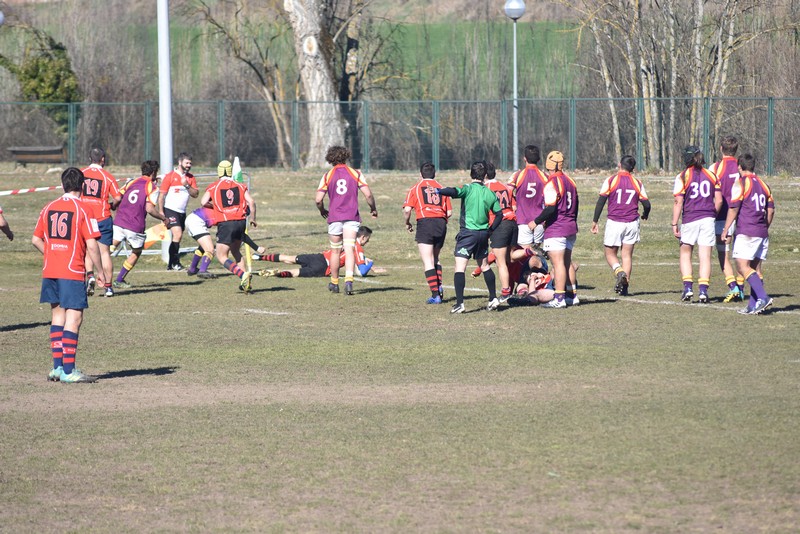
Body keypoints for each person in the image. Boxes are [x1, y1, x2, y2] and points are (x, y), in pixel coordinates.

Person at [32, 168, 105, 383]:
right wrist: (100, 272)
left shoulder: (48, 208)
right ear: (82, 185)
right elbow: (92, 244)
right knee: (74, 318)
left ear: (63, 184)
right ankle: (69, 371)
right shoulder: (84, 209)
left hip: (50, 270)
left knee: (57, 316)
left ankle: (57, 368)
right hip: (72, 271)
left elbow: (36, 240)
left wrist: (53, 254)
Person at [438, 160, 504, 313]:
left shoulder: (468, 188)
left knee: (460, 268)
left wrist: (440, 191)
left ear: (471, 174)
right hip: (483, 234)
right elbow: (499, 214)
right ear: (485, 176)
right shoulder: (489, 192)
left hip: (468, 234)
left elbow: (454, 191)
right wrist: (490, 230)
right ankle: (493, 298)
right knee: (485, 266)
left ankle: (460, 304)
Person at [315, 145, 378, 296]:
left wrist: (322, 210)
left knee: (335, 251)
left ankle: (334, 283)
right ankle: (349, 281)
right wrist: (373, 208)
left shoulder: (327, 175)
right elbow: (368, 195)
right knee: (349, 249)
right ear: (346, 156)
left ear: (330, 159)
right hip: (351, 217)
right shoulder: (356, 173)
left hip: (335, 217)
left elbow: (318, 199)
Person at [721, 153, 774, 315]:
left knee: (742, 266)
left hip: (747, 231)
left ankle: (763, 298)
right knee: (754, 269)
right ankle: (753, 305)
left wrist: (725, 229)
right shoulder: (764, 184)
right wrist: (764, 226)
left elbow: (734, 208)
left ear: (739, 167)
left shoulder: (741, 183)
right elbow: (770, 209)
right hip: (761, 232)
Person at [590, 155, 651, 296]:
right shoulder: (637, 182)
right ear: (633, 169)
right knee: (627, 256)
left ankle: (619, 271)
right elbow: (647, 204)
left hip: (615, 222)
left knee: (610, 254)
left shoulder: (611, 180)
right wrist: (645, 214)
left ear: (619, 165)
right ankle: (625, 288)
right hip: (632, 223)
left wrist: (595, 221)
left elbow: (601, 201)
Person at [672, 146, 722, 303]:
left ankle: (687, 288)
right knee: (705, 256)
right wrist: (712, 214)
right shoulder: (711, 175)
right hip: (708, 219)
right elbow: (719, 200)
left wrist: (674, 223)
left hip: (690, 219)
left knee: (685, 253)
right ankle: (703, 291)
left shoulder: (683, 176)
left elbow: (678, 201)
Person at [200, 160, 257, 292]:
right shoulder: (240, 185)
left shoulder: (214, 186)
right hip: (241, 222)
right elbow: (251, 202)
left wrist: (215, 206)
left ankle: (242, 275)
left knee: (221, 256)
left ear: (219, 172)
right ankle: (245, 283)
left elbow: (203, 202)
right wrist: (253, 218)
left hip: (226, 224)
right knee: (236, 252)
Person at [110, 160, 168, 289]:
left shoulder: (132, 181)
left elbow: (118, 196)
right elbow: (149, 209)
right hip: (134, 225)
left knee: (108, 249)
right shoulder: (152, 187)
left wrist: (113, 206)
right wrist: (163, 217)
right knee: (136, 251)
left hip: (119, 221)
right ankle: (119, 279)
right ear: (153, 172)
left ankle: (93, 274)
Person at [533, 151, 579, 308]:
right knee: (566, 263)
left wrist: (536, 222)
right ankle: (571, 296)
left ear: (548, 165)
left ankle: (559, 298)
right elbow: (576, 205)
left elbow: (551, 208)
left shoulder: (552, 182)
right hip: (570, 226)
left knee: (558, 264)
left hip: (557, 227)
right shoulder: (570, 181)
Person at [403, 162, 451, 304]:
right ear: (434, 174)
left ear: (420, 174)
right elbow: (449, 212)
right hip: (441, 223)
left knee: (427, 260)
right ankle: (440, 287)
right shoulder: (442, 188)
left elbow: (407, 210)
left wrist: (407, 222)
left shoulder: (415, 188)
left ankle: (435, 295)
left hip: (425, 222)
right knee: (436, 258)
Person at [256, 227, 379, 279]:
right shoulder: (357, 247)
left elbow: (347, 255)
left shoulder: (347, 239)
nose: (366, 243)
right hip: (323, 267)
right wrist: (370, 263)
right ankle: (272, 274)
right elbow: (362, 272)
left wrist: (367, 261)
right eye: (367, 240)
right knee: (294, 273)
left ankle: (258, 257)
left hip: (319, 257)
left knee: (289, 258)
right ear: (362, 237)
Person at [81, 147, 121, 297]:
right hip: (102, 217)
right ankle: (109, 287)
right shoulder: (107, 177)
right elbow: (117, 198)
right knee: (104, 253)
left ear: (90, 158)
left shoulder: (81, 174)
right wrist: (112, 206)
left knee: (87, 251)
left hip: (85, 218)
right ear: (103, 159)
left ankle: (90, 276)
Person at [710, 136, 745, 302]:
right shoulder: (743, 167)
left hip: (722, 216)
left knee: (723, 254)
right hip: (743, 217)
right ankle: (741, 286)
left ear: (721, 149)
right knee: (741, 254)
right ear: (736, 150)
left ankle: (734, 287)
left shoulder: (715, 167)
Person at [185, 206, 265, 279]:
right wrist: (257, 248)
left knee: (204, 246)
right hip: (196, 222)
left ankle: (192, 269)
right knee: (210, 249)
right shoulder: (229, 216)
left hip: (193, 218)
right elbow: (241, 235)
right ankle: (202, 271)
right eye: (244, 215)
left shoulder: (227, 209)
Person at [158, 152, 199, 271]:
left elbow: (195, 194)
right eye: (187, 163)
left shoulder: (190, 177)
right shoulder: (170, 176)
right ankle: (175, 262)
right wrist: (161, 213)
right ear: (180, 162)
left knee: (177, 237)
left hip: (182, 212)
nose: (189, 165)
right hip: (170, 210)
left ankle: (170, 264)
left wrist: (186, 185)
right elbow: (161, 196)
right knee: (178, 234)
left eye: (190, 163)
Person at [484, 161, 518, 302]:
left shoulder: (485, 188)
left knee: (501, 262)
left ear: (484, 174)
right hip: (512, 223)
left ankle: (505, 292)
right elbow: (514, 208)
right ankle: (510, 287)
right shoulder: (505, 187)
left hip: (500, 225)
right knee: (509, 259)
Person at [509, 144, 549, 253]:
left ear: (524, 159)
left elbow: (508, 191)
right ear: (539, 159)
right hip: (539, 221)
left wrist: (513, 203)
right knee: (537, 254)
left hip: (523, 221)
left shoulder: (518, 175)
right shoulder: (545, 176)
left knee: (526, 256)